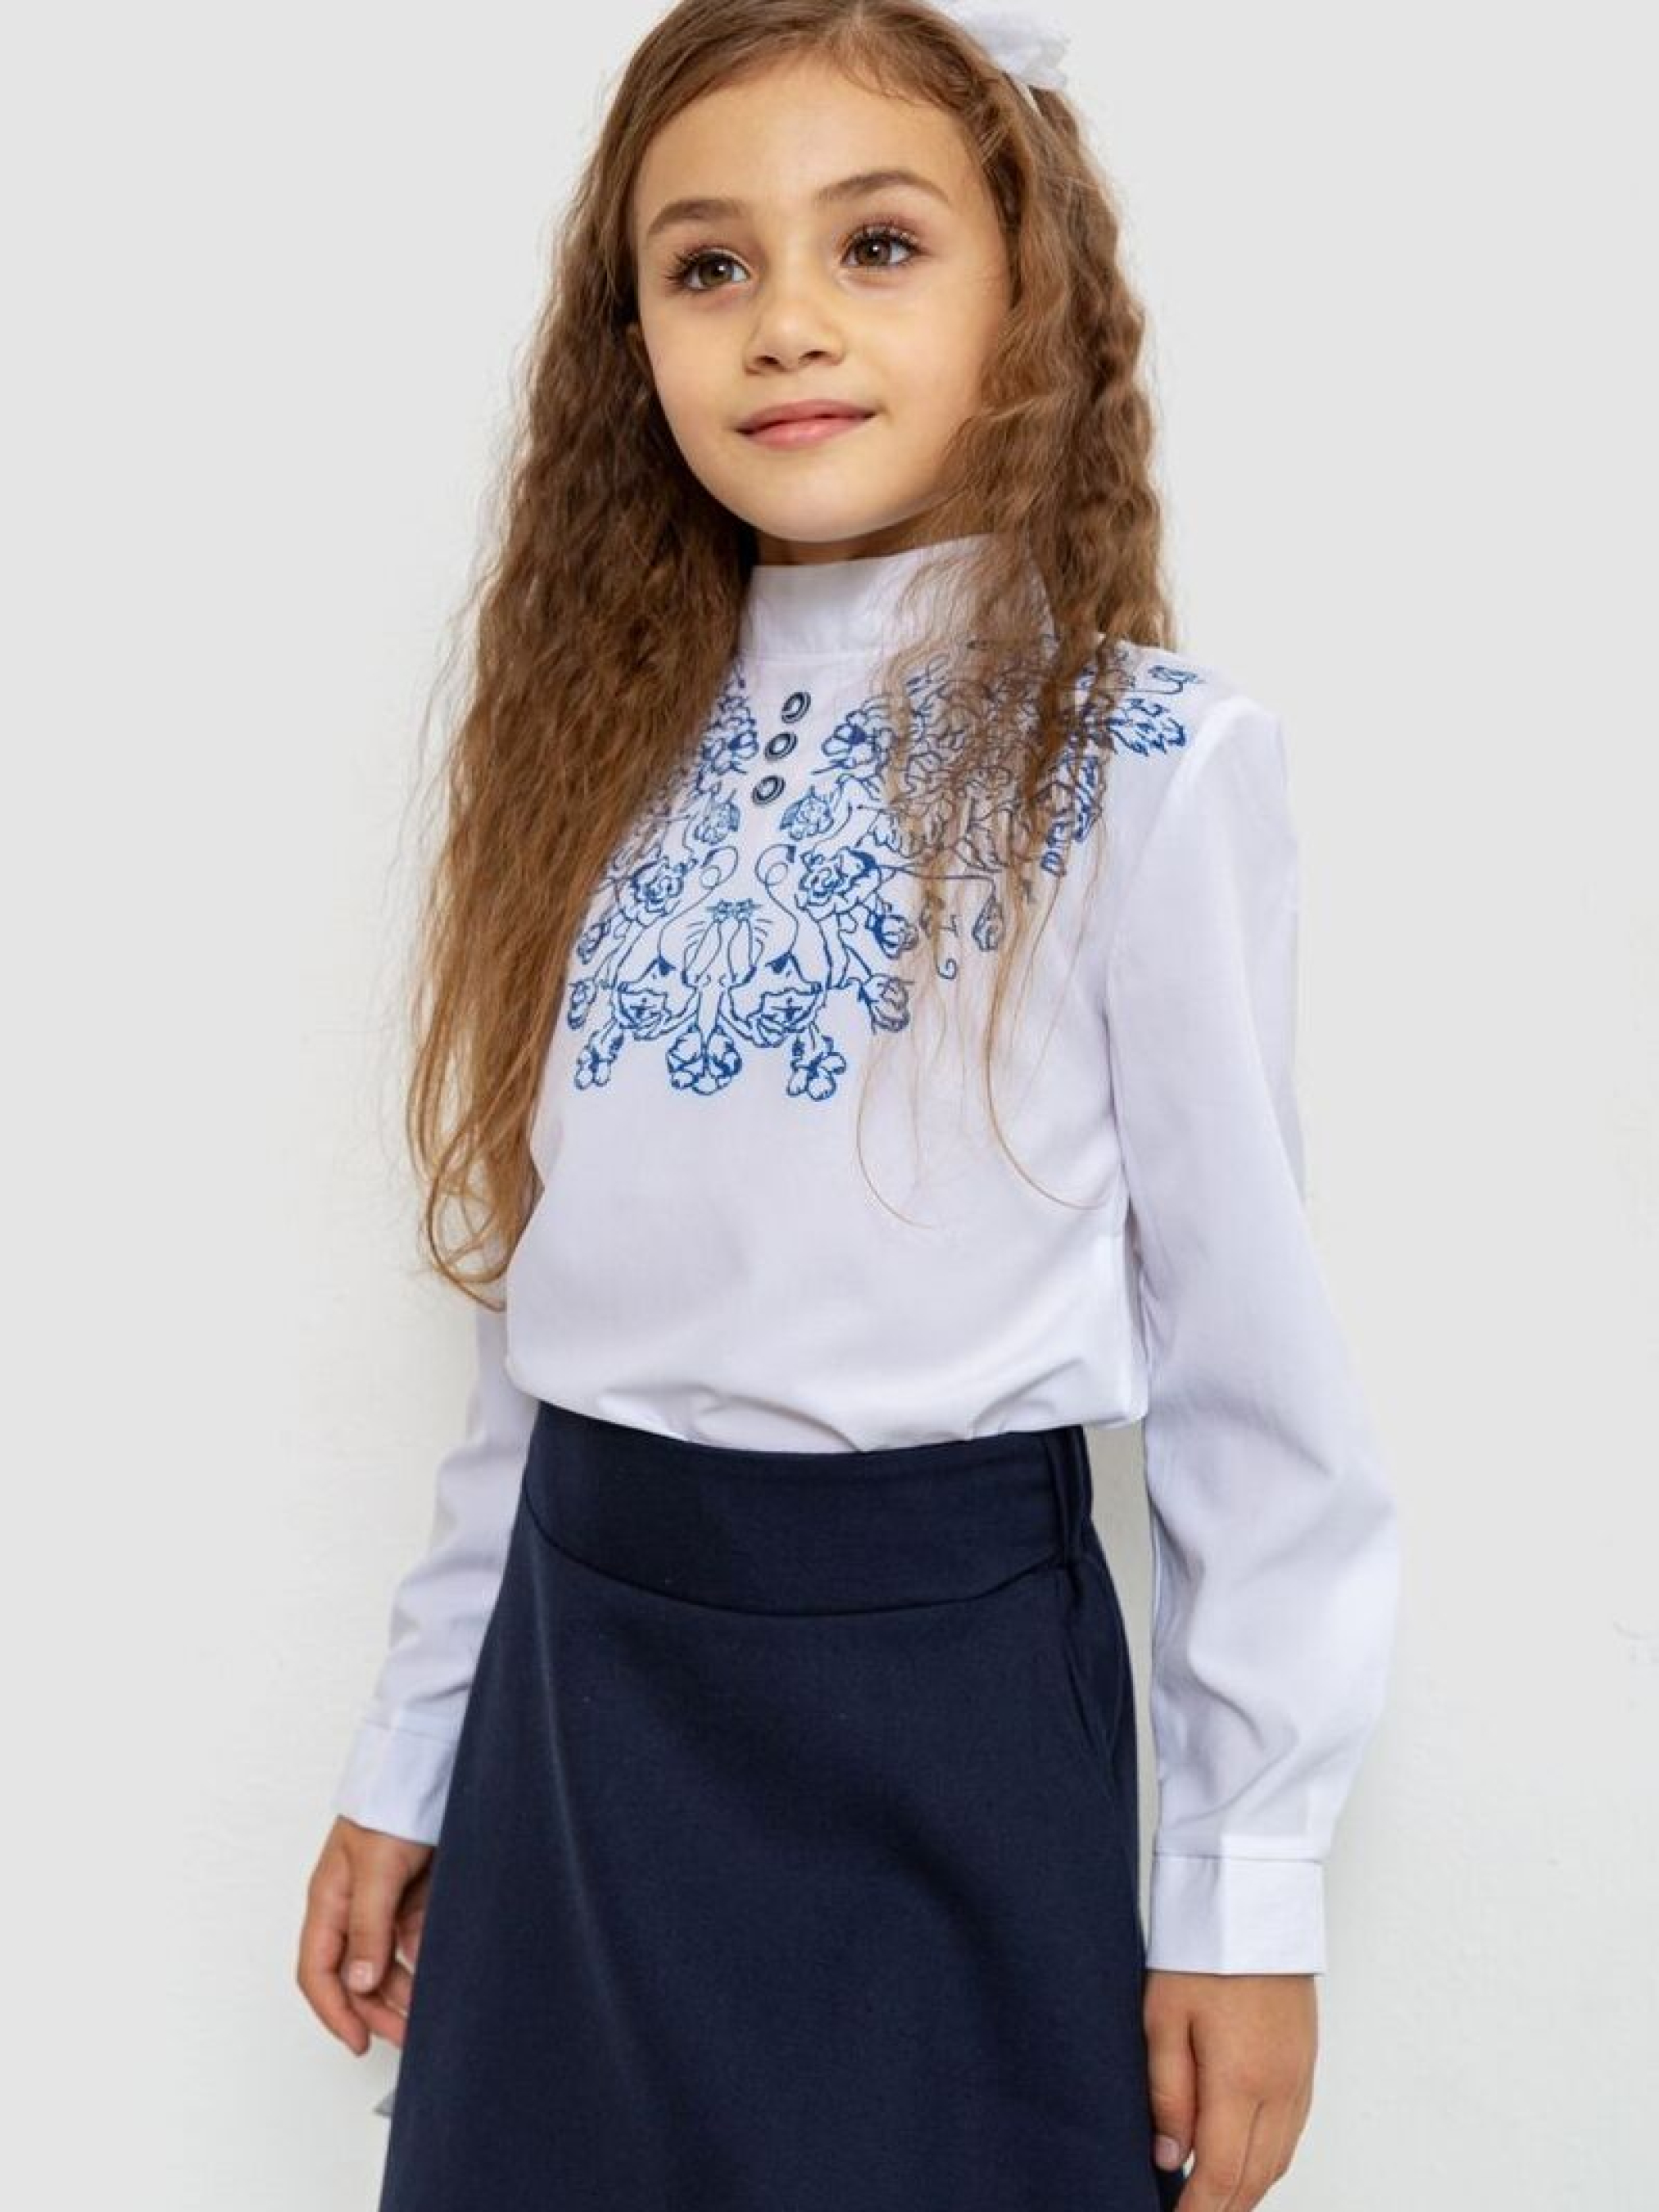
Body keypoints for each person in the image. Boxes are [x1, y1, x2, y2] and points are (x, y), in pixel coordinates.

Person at [294, 4, 1402, 2207]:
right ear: (629, 339)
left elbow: (1250, 1381)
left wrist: (1244, 1893)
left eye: (875, 244)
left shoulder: (1149, 769)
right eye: (707, 264)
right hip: (581, 1694)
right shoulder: (590, 758)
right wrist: (412, 1749)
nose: (784, 319)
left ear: (1027, 286)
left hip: (935, 1708)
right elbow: (539, 1340)